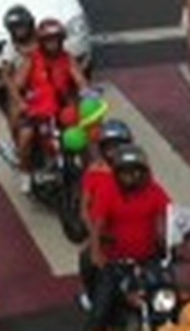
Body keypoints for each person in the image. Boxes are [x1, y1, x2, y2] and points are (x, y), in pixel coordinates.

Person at [85, 145, 171, 331]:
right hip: (115, 262)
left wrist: (174, 237)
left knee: (170, 300)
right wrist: (96, 252)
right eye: (127, 173)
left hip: (149, 260)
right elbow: (97, 224)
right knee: (99, 314)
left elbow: (170, 214)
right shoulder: (107, 190)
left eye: (137, 172)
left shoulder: (154, 190)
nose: (133, 177)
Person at [15, 18, 89, 193]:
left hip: (63, 110)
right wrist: (22, 102)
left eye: (56, 39)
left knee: (83, 135)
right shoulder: (32, 60)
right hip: (37, 111)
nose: (52, 44)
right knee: (26, 137)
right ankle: (25, 173)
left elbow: (80, 80)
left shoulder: (67, 59)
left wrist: (86, 93)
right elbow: (18, 84)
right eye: (48, 40)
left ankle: (82, 169)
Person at [76, 120, 134, 307]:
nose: (114, 151)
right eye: (109, 146)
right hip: (103, 233)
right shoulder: (94, 173)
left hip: (130, 227)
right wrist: (95, 233)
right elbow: (85, 208)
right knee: (86, 258)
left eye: (119, 145)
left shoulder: (135, 170)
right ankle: (91, 293)